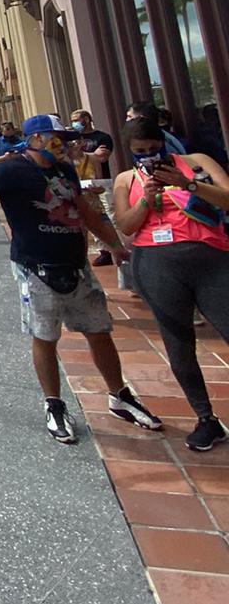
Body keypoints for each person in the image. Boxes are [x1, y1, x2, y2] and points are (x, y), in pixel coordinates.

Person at [0, 115, 162, 445]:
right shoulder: (10, 169)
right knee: (45, 336)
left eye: (64, 138)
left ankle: (119, 395)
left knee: (99, 331)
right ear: (34, 139)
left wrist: (114, 244)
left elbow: (84, 211)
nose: (62, 144)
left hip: (76, 265)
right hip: (35, 267)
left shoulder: (64, 170)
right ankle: (54, 404)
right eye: (55, 137)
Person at [112, 116, 229, 452]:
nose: (148, 155)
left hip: (211, 258)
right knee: (179, 345)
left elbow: (227, 199)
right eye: (140, 151)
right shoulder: (126, 179)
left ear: (163, 144)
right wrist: (145, 200)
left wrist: (187, 184)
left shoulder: (197, 162)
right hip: (156, 263)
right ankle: (205, 418)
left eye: (153, 148)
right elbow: (126, 225)